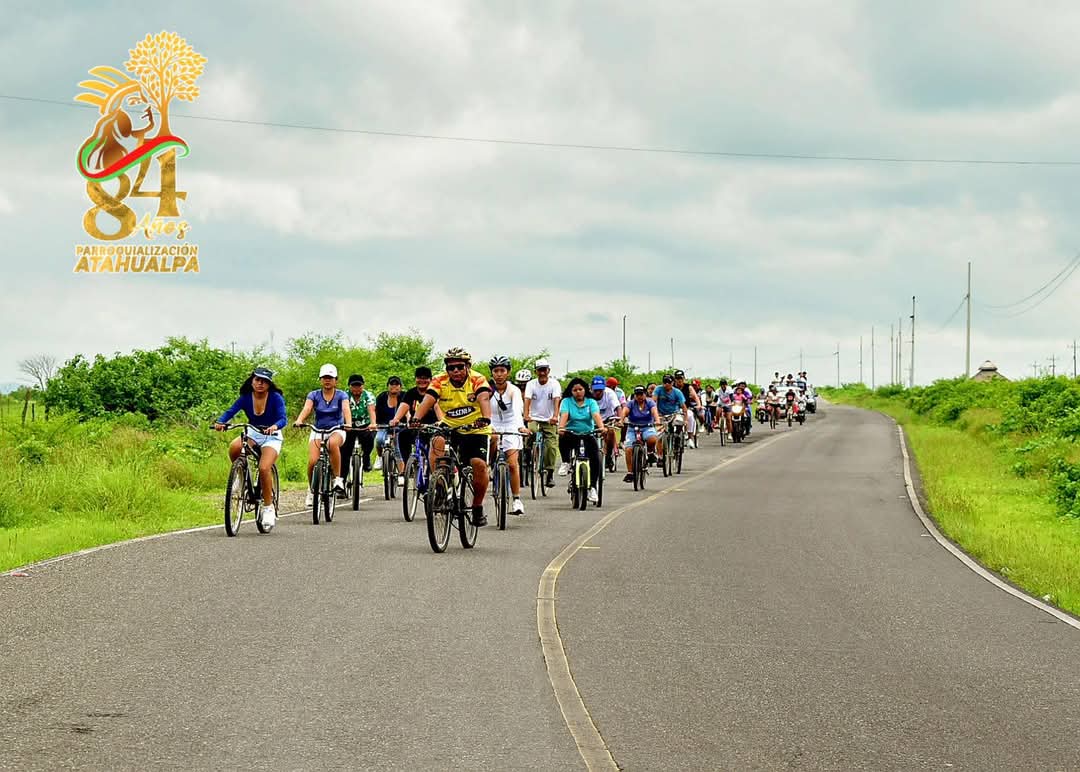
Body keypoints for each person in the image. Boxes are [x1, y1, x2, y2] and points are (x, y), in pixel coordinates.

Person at [410, 347, 493, 527]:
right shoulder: (439, 380)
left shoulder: (477, 379)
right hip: (449, 425)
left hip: (475, 428)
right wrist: (416, 418)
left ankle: (477, 506)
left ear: (468, 366)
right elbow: (428, 400)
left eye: (460, 367)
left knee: (478, 464)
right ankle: (440, 485)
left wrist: (485, 418)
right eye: (451, 367)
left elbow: (484, 398)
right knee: (436, 443)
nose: (455, 371)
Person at [214, 366, 287, 528]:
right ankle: (241, 476)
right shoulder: (246, 397)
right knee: (235, 447)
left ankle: (268, 508)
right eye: (257, 380)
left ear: (269, 384)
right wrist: (221, 422)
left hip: (271, 436)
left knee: (264, 468)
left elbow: (283, 418)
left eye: (264, 381)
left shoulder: (275, 398)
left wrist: (275, 426)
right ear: (252, 381)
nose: (260, 383)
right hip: (253, 432)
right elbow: (230, 411)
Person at [293, 363, 352, 505]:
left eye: (330, 378)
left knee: (332, 444)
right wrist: (300, 420)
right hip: (318, 430)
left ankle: (337, 479)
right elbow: (307, 408)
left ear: (336, 380)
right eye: (325, 377)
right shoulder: (313, 395)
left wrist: (348, 423)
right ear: (320, 379)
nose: (327, 380)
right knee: (313, 461)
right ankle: (312, 490)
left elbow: (346, 409)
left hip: (337, 429)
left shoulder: (341, 395)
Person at [487, 355, 529, 515]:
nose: (499, 374)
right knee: (492, 438)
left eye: (502, 370)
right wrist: (487, 426)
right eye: (495, 371)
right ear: (492, 373)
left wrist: (520, 427)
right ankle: (489, 465)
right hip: (492, 423)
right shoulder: (487, 389)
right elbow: (483, 409)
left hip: (512, 424)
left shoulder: (514, 390)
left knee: (512, 464)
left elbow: (517, 410)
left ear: (508, 372)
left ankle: (517, 499)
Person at [557, 377, 606, 504]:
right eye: (575, 390)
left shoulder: (591, 402)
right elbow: (564, 415)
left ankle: (592, 488)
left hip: (588, 433)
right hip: (571, 433)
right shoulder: (566, 401)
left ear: (585, 390)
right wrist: (561, 427)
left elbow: (595, 415)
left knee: (595, 457)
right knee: (562, 438)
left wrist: (601, 427)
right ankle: (566, 462)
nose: (578, 392)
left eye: (580, 389)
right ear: (571, 391)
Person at [390, 366, 438, 488]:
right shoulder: (411, 393)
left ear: (430, 379)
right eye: (419, 378)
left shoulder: (434, 392)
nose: (422, 381)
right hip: (415, 426)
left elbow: (438, 409)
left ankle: (435, 475)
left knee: (433, 448)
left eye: (425, 378)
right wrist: (396, 419)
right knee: (403, 435)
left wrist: (440, 422)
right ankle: (408, 464)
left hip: (432, 427)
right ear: (415, 379)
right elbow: (404, 406)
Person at [523, 358, 561, 488]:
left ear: (548, 370)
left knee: (551, 445)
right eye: (540, 370)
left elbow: (556, 400)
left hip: (549, 419)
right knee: (531, 433)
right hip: (534, 417)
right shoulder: (531, 384)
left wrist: (555, 416)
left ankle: (549, 473)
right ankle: (528, 454)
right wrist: (526, 415)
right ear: (536, 371)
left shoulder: (554, 384)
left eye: (544, 370)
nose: (542, 373)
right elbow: (527, 399)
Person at [340, 374, 377, 489]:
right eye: (354, 386)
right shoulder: (344, 395)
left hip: (365, 424)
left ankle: (366, 457)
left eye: (359, 386)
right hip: (348, 425)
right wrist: (344, 424)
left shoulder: (368, 395)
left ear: (363, 386)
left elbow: (371, 410)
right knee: (345, 453)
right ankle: (341, 482)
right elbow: (342, 410)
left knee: (370, 438)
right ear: (349, 386)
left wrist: (373, 423)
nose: (356, 388)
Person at [620, 384, 660, 482]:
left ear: (645, 394)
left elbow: (654, 411)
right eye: (637, 394)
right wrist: (621, 420)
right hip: (632, 428)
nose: (639, 397)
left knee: (652, 439)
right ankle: (630, 472)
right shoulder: (631, 403)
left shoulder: (650, 403)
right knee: (628, 449)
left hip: (647, 427)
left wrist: (657, 420)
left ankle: (650, 453)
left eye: (641, 394)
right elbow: (625, 411)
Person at [590, 375, 623, 471]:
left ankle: (608, 455)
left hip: (607, 419)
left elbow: (618, 407)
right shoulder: (587, 395)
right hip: (592, 420)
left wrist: (620, 420)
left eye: (600, 390)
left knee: (611, 432)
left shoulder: (610, 393)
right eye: (595, 390)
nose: (598, 392)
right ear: (591, 388)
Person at [654, 374, 688, 461]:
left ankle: (677, 440)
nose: (666, 384)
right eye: (665, 382)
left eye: (669, 382)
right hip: (661, 414)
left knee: (679, 422)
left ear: (672, 383)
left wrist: (685, 420)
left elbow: (683, 407)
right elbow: (653, 402)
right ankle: (660, 456)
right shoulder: (658, 389)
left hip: (674, 413)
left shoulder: (677, 392)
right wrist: (654, 415)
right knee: (659, 436)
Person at [374, 376, 404, 470]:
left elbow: (407, 411)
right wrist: (374, 423)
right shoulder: (381, 397)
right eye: (392, 384)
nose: (394, 386)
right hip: (383, 425)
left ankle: (401, 473)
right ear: (388, 386)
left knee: (398, 447)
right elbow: (375, 411)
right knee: (379, 439)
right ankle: (379, 457)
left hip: (400, 426)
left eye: (396, 384)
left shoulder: (404, 396)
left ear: (400, 386)